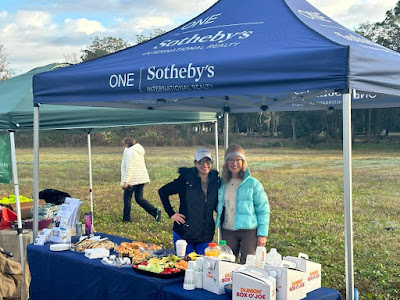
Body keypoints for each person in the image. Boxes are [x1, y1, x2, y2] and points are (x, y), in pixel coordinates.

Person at [158, 147, 220, 255]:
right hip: (184, 233)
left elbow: (216, 204)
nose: (205, 165)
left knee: (204, 266)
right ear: (195, 163)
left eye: (208, 161)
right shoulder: (185, 180)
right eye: (201, 162)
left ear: (212, 163)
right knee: (183, 266)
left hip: (205, 234)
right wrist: (171, 213)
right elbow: (163, 191)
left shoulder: (216, 182)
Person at [215, 144, 270, 264]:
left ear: (243, 162)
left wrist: (262, 234)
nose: (234, 163)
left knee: (248, 265)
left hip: (249, 232)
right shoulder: (222, 183)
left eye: (237, 160)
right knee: (227, 264)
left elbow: (263, 210)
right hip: (228, 230)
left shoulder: (253, 184)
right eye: (230, 159)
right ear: (226, 162)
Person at [120, 137, 161, 222]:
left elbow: (129, 167)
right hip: (141, 178)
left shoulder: (129, 152)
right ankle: (155, 211)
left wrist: (126, 181)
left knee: (127, 199)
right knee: (139, 198)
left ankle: (126, 219)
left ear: (127, 144)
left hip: (132, 180)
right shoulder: (138, 150)